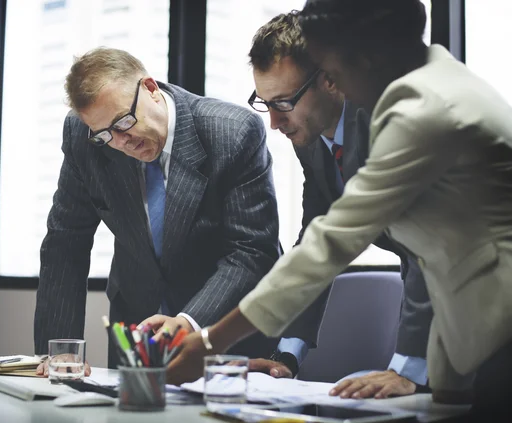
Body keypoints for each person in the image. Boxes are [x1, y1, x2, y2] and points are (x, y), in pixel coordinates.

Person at [167, 0, 512, 419]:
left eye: (333, 68)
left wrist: (210, 342)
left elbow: (334, 242)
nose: (336, 83)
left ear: (363, 56)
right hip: (466, 325)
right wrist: (287, 355)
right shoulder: (427, 83)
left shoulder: (423, 112)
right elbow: (323, 234)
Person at [33, 47, 282, 374]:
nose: (121, 142)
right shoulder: (84, 136)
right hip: (137, 330)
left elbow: (251, 251)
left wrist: (189, 321)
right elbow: (65, 241)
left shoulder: (233, 132)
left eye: (124, 122)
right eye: (105, 135)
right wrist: (60, 348)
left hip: (222, 330)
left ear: (150, 89)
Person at [245, 10, 433, 398]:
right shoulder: (311, 140)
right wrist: (287, 356)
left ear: (329, 80)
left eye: (283, 102)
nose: (274, 124)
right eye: (265, 103)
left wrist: (407, 368)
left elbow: (427, 248)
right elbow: (318, 244)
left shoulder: (392, 120)